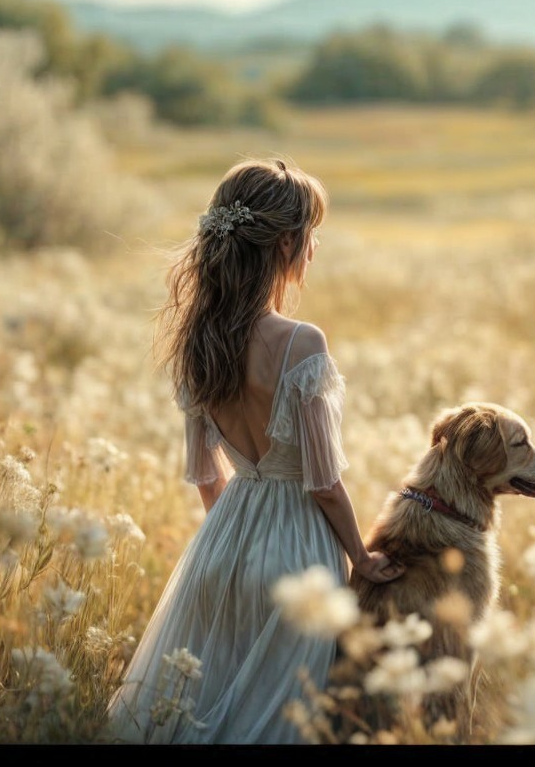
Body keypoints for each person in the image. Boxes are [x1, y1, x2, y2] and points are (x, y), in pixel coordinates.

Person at [108, 157, 402, 743]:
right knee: (278, 720)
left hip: (221, 547)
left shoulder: (198, 342)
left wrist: (237, 538)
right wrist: (363, 561)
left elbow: (204, 474)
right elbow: (322, 481)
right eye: (311, 235)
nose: (314, 249)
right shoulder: (301, 342)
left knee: (202, 709)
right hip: (298, 554)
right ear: (287, 243)